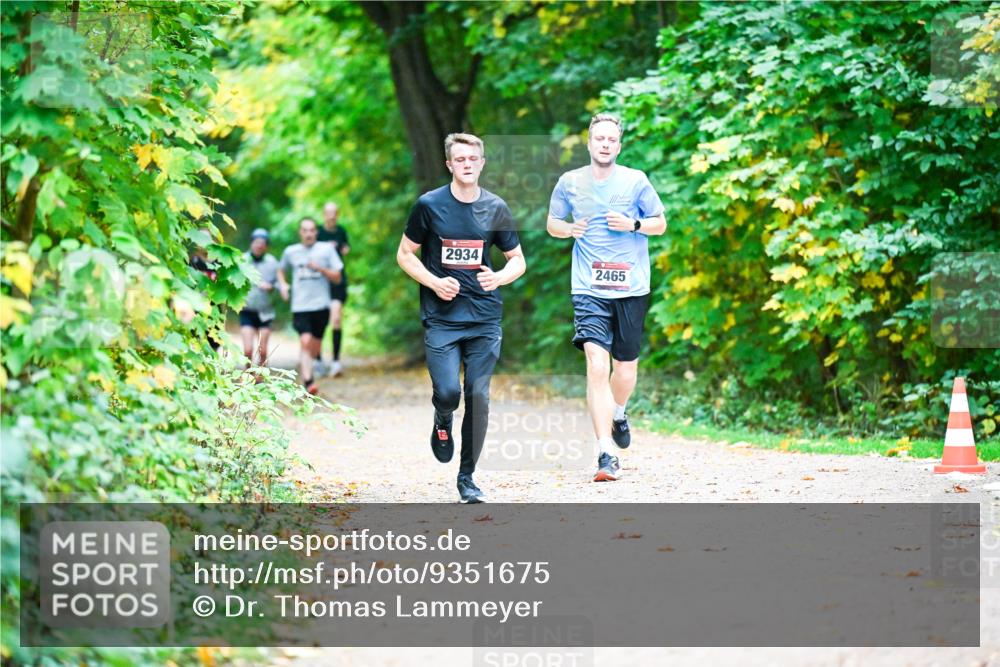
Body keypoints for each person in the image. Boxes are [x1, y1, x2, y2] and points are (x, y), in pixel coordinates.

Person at [396, 132, 526, 504]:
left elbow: (518, 260)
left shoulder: (496, 208)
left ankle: (467, 477)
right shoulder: (429, 205)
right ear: (449, 165)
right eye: (460, 160)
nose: (467, 165)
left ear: (482, 163)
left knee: (479, 395)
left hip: (485, 318)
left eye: (473, 159)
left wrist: (499, 276)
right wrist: (435, 282)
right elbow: (405, 254)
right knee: (450, 392)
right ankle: (442, 417)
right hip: (443, 318)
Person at [546, 113, 666, 482]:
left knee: (624, 369)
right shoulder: (570, 182)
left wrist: (632, 224)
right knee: (597, 366)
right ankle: (604, 452)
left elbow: (660, 223)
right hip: (588, 287)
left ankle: (619, 412)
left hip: (631, 287)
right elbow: (552, 224)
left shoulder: (636, 181)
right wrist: (569, 229)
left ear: (619, 144)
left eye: (611, 139)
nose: (604, 144)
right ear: (589, 142)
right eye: (599, 138)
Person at [277, 217, 343, 395]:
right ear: (300, 232)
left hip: (321, 305)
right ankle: (308, 381)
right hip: (300, 306)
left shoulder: (326, 250)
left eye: (312, 230)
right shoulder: (291, 251)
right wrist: (283, 285)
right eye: (305, 230)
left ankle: (307, 369)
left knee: (314, 347)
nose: (308, 233)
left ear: (316, 232)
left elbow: (337, 276)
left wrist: (321, 269)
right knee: (305, 342)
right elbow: (280, 269)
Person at [316, 201, 351, 377]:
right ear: (324, 214)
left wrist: (344, 249)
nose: (331, 215)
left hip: (338, 281)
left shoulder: (341, 231)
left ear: (337, 214)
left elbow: (346, 248)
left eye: (334, 212)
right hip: (320, 282)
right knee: (319, 321)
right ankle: (318, 359)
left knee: (336, 320)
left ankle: (336, 362)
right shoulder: (318, 232)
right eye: (328, 212)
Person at [239, 228, 279, 367]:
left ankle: (261, 380)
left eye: (262, 243)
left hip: (265, 311)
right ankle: (248, 377)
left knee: (262, 351)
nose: (259, 246)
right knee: (248, 350)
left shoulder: (272, 262)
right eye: (256, 242)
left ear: (266, 246)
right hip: (247, 310)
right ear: (251, 243)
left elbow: (279, 282)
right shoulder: (242, 260)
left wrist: (272, 286)